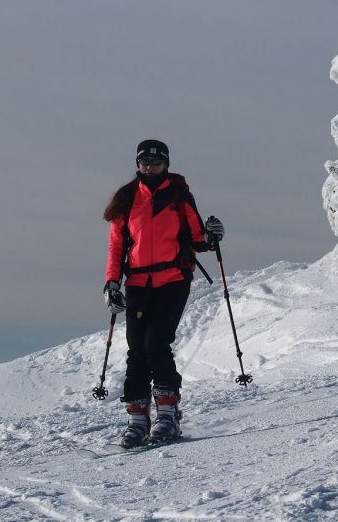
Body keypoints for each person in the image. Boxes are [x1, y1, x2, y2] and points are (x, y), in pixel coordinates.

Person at [102, 139, 224, 448]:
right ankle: (137, 420)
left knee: (157, 342)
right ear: (137, 164)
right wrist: (112, 283)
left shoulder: (179, 194)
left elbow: (197, 237)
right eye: (144, 162)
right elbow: (117, 246)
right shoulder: (127, 199)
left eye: (156, 162)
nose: (150, 167)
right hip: (139, 282)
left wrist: (213, 237)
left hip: (173, 277)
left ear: (166, 164)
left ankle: (167, 415)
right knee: (136, 348)